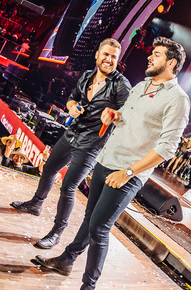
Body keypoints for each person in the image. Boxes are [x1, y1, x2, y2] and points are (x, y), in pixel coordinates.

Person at [32, 37, 190, 290]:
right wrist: (115, 115)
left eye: (156, 55)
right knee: (90, 218)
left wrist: (128, 173)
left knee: (99, 229)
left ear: (171, 63)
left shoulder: (177, 99)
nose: (150, 57)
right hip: (106, 162)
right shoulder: (141, 87)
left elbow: (167, 148)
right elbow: (126, 121)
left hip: (127, 173)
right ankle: (66, 260)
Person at [10, 39, 131, 249]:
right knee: (49, 169)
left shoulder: (121, 85)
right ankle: (36, 203)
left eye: (113, 57)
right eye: (106, 54)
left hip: (92, 143)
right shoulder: (87, 76)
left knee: (68, 186)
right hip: (72, 133)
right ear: (97, 55)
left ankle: (57, 232)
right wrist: (72, 107)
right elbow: (72, 99)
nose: (109, 60)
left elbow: (127, 115)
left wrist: (115, 115)